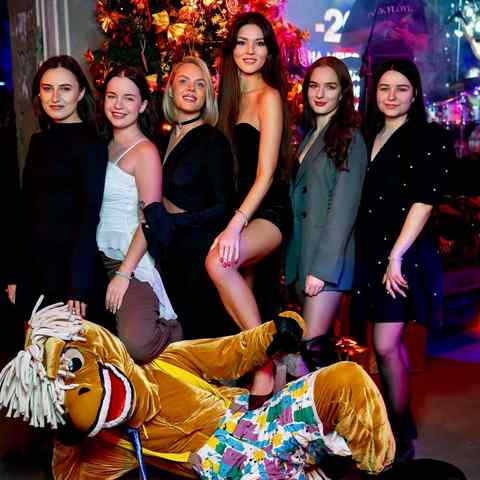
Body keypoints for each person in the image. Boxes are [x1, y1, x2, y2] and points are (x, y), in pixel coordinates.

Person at [0, 303, 395, 479]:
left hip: (262, 424)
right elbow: (71, 477)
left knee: (346, 380)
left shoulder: (166, 361)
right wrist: (66, 436)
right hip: (231, 468)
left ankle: (377, 470)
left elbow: (230, 352)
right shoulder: (114, 442)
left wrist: (274, 333)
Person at [351, 59, 450, 461]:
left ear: (415, 94)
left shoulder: (428, 135)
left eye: (401, 88)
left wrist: (396, 256)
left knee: (386, 342)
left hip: (402, 252)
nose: (391, 96)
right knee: (381, 346)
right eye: (384, 88)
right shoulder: (366, 134)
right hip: (369, 250)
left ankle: (399, 431)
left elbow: (424, 201)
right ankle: (401, 422)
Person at [205, 11, 292, 406]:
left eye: (259, 43)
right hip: (238, 211)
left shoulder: (268, 97)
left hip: (268, 211)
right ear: (231, 49)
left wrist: (234, 226)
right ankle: (262, 378)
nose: (250, 50)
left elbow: (266, 173)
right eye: (242, 42)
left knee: (218, 263)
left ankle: (265, 365)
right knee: (243, 304)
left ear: (269, 51)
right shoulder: (226, 99)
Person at [5, 55, 107, 326]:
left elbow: (90, 217)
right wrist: (15, 273)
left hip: (72, 273)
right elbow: (24, 212)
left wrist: (78, 285)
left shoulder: (93, 144)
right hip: (34, 270)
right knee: (34, 349)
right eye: (47, 88)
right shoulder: (38, 141)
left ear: (81, 93)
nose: (55, 97)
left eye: (65, 89)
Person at [142, 56, 235, 340]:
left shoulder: (213, 140)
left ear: (207, 94)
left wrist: (176, 222)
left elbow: (224, 207)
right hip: (167, 251)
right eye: (183, 81)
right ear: (170, 89)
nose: (191, 89)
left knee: (200, 339)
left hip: (196, 255)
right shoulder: (163, 137)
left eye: (200, 84)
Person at [285, 56, 367, 373]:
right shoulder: (309, 136)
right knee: (305, 355)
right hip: (302, 256)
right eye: (314, 86)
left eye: (330, 87)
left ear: (343, 92)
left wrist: (321, 269)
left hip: (327, 263)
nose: (320, 94)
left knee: (312, 349)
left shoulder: (350, 138)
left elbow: (344, 208)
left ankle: (347, 403)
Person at [96, 66, 181, 364]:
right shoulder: (102, 145)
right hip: (98, 256)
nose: (118, 105)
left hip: (129, 259)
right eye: (112, 96)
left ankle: (177, 337)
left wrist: (124, 273)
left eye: (128, 98)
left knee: (137, 344)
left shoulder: (145, 152)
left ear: (143, 104)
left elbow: (150, 220)